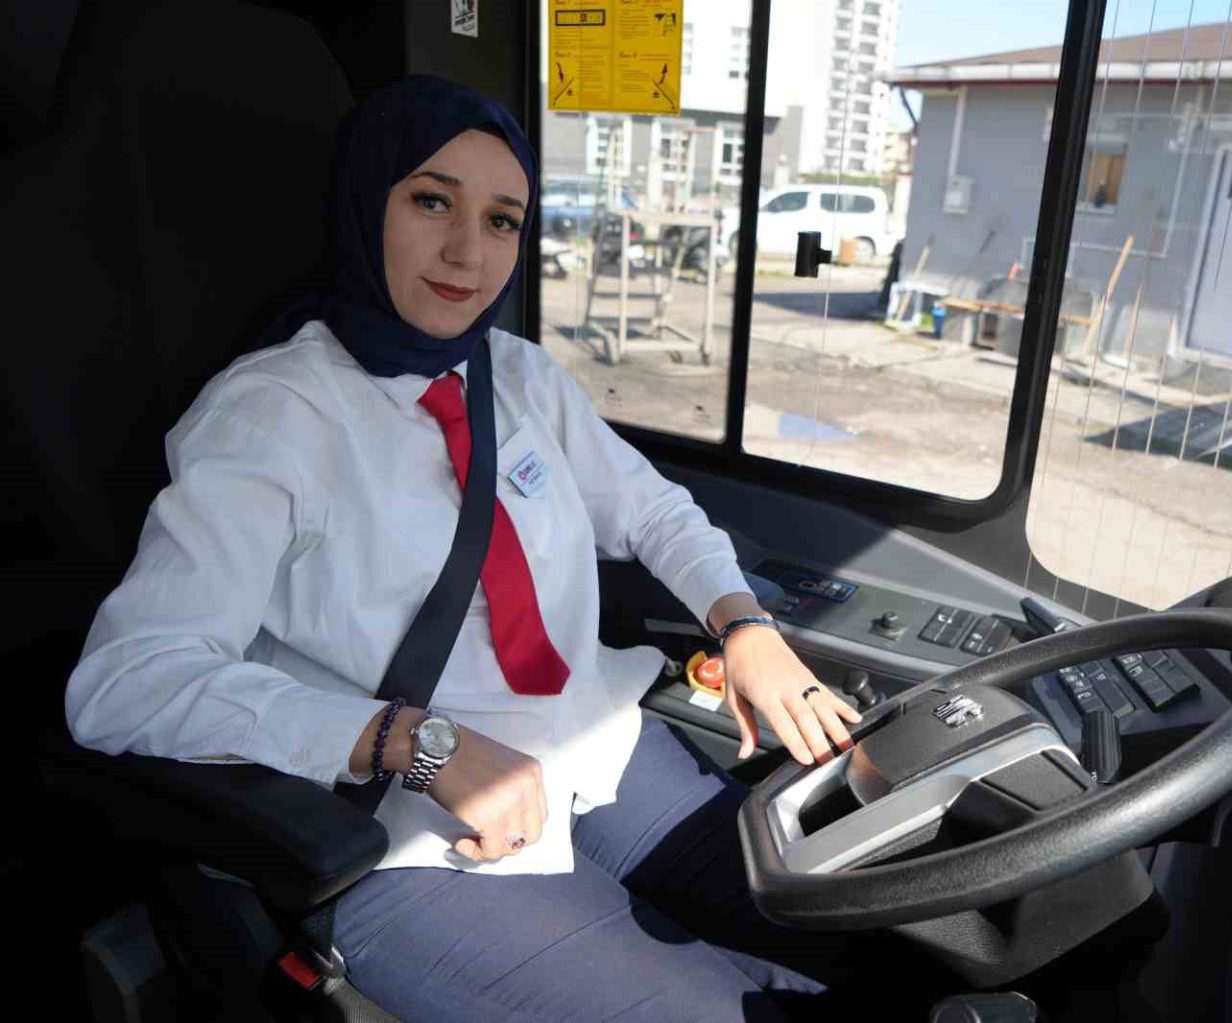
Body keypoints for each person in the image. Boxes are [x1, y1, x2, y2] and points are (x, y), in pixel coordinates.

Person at [65, 75, 881, 1022]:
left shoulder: (521, 376)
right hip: (412, 829)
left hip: (598, 745)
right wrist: (409, 741)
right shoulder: (271, 415)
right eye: (431, 201)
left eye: (502, 221)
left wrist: (743, 625)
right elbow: (127, 681)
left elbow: (654, 510)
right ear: (364, 205)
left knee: (863, 940)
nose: (468, 252)